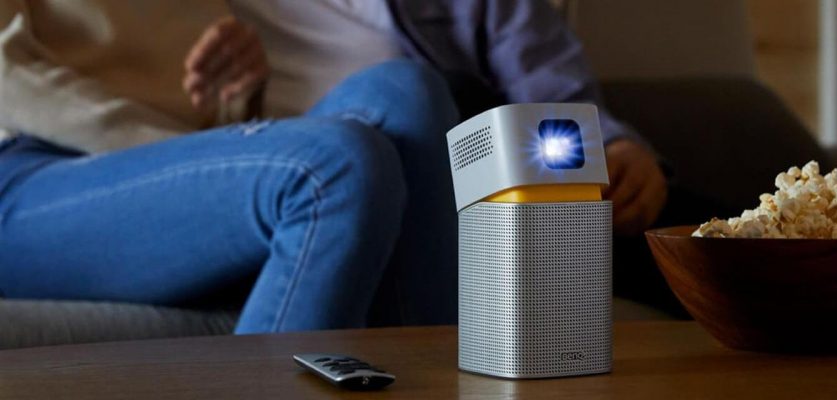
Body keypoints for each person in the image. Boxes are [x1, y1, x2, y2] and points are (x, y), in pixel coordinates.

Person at [0, 1, 459, 333]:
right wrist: (180, 151)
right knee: (331, 169)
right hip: (27, 176)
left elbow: (206, 116)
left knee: (406, 94)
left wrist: (238, 95)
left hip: (163, 171)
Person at [225, 0, 669, 325]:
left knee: (442, 99)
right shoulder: (212, 19)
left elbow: (553, 87)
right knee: (396, 110)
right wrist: (224, 109)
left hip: (460, 175)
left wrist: (613, 147)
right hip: (280, 178)